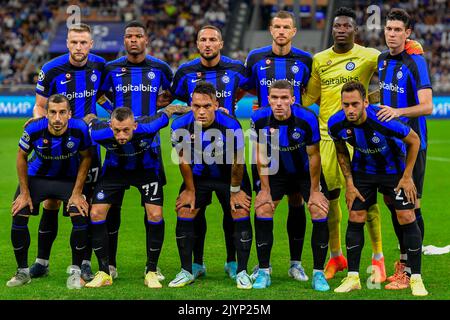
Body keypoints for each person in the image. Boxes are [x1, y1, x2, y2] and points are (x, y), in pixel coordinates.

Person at [302, 7, 423, 282]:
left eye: (346, 26)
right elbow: (309, 97)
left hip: (364, 136)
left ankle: (377, 258)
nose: (341, 30)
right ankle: (336, 256)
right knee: (332, 200)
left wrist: (413, 46)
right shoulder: (319, 59)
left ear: (354, 30)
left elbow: (393, 60)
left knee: (366, 201)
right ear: (331, 29)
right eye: (337, 26)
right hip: (328, 136)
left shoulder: (370, 55)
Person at [328, 80, 427, 296]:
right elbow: (341, 151)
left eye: (355, 104)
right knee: (355, 216)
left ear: (365, 102)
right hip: (363, 172)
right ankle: (353, 277)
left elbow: (414, 141)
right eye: (346, 105)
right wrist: (350, 184)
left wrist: (408, 177)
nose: (350, 109)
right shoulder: (336, 124)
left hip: (394, 171)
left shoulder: (383, 119)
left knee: (406, 216)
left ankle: (416, 278)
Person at [166, 25, 249, 280]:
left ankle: (234, 264)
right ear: (197, 43)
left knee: (234, 210)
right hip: (199, 162)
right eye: (203, 39)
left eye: (213, 39)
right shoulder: (185, 72)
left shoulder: (235, 68)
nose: (208, 43)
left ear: (221, 43)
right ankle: (194, 265)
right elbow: (176, 98)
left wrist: (229, 104)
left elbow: (247, 87)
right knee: (190, 208)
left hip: (228, 159)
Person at [29, 23, 111, 282]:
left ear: (90, 44)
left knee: (84, 202)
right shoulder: (51, 69)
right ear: (67, 43)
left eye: (83, 42)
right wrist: (45, 131)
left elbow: (103, 97)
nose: (78, 47)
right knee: (51, 202)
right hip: (57, 148)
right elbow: (40, 107)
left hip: (87, 147)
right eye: (74, 42)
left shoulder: (99, 66)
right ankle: (42, 261)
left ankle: (84, 263)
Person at [83, 104, 188, 288]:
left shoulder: (150, 125)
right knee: (96, 213)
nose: (121, 136)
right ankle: (104, 272)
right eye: (116, 131)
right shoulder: (99, 132)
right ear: (110, 126)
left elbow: (171, 109)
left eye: (125, 130)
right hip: (114, 172)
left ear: (135, 126)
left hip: (146, 171)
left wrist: (197, 110)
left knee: (155, 215)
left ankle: (151, 271)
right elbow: (89, 119)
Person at [100, 20, 173, 279]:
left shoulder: (160, 67)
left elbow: (171, 93)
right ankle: (110, 263)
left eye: (138, 36)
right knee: (112, 208)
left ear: (146, 40)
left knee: (151, 208)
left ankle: (151, 265)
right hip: (116, 149)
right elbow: (99, 94)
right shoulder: (111, 68)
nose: (133, 40)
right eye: (129, 36)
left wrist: (159, 107)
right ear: (124, 40)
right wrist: (113, 114)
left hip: (149, 150)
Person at [245, 10, 313, 281]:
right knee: (264, 202)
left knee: (296, 201)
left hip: (296, 143)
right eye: (277, 26)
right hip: (265, 140)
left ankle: (295, 263)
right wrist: (263, 107)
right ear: (271, 30)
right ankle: (264, 266)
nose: (281, 31)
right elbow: (246, 86)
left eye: (287, 27)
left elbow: (309, 91)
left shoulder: (306, 60)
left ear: (294, 31)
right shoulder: (255, 58)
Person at [169, 82, 253, 289]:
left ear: (216, 104)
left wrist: (235, 191)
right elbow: (183, 159)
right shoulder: (179, 125)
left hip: (229, 176)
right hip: (199, 176)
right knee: (186, 211)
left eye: (207, 106)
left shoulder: (231, 125)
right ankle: (190, 269)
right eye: (197, 106)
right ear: (191, 104)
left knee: (239, 211)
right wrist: (189, 190)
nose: (201, 111)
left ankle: (239, 269)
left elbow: (238, 161)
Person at [250, 80, 330, 291]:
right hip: (275, 170)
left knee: (318, 209)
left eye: (284, 98)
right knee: (263, 208)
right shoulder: (259, 118)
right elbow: (259, 154)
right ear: (268, 99)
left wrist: (314, 191)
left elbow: (314, 156)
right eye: (274, 98)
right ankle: (264, 271)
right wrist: (265, 190)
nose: (279, 103)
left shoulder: (307, 118)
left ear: (293, 99)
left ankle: (315, 272)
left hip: (303, 171)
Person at [7, 94, 92, 288]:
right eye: (53, 112)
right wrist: (24, 193)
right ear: (46, 114)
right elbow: (21, 156)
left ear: (69, 114)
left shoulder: (79, 129)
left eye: (62, 112)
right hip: (38, 178)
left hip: (67, 179)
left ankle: (76, 272)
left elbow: (87, 157)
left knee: (79, 213)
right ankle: (22, 272)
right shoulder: (34, 129)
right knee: (19, 212)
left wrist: (77, 192)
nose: (57, 118)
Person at [376, 8, 433, 290]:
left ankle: (410, 268)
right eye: (389, 29)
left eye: (398, 30)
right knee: (393, 204)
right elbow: (385, 93)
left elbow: (427, 106)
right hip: (388, 144)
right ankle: (406, 261)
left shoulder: (416, 62)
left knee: (410, 205)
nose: (392, 34)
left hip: (412, 142)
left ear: (407, 33)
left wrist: (397, 112)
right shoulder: (382, 59)